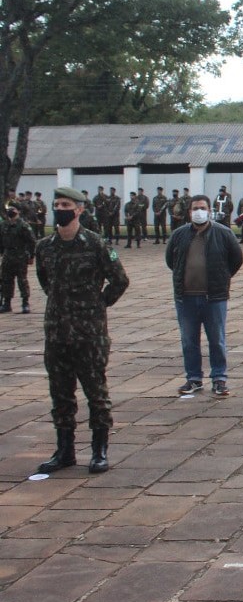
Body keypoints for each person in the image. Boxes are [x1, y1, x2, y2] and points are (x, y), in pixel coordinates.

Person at [35, 186, 129, 474]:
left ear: (79, 209)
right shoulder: (45, 247)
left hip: (89, 334)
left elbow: (119, 280)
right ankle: (65, 451)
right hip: (57, 333)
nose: (59, 208)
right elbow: (45, 281)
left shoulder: (95, 244)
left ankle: (99, 451)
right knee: (60, 395)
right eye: (57, 203)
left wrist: (98, 304)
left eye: (65, 204)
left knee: (96, 393)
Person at [166, 194, 243, 397]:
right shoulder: (179, 235)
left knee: (217, 339)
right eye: (194, 208)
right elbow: (170, 261)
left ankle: (219, 378)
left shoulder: (223, 233)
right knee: (189, 340)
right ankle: (193, 378)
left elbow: (236, 260)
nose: (198, 212)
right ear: (189, 212)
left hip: (214, 297)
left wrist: (222, 278)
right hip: (186, 298)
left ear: (209, 211)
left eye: (202, 208)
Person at [1, 204, 37, 313]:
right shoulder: (4, 225)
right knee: (6, 280)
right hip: (7, 255)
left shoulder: (23, 225)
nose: (11, 210)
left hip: (20, 255)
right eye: (9, 208)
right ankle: (7, 303)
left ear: (18, 211)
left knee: (22, 280)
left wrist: (31, 256)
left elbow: (32, 241)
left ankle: (25, 303)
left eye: (13, 209)